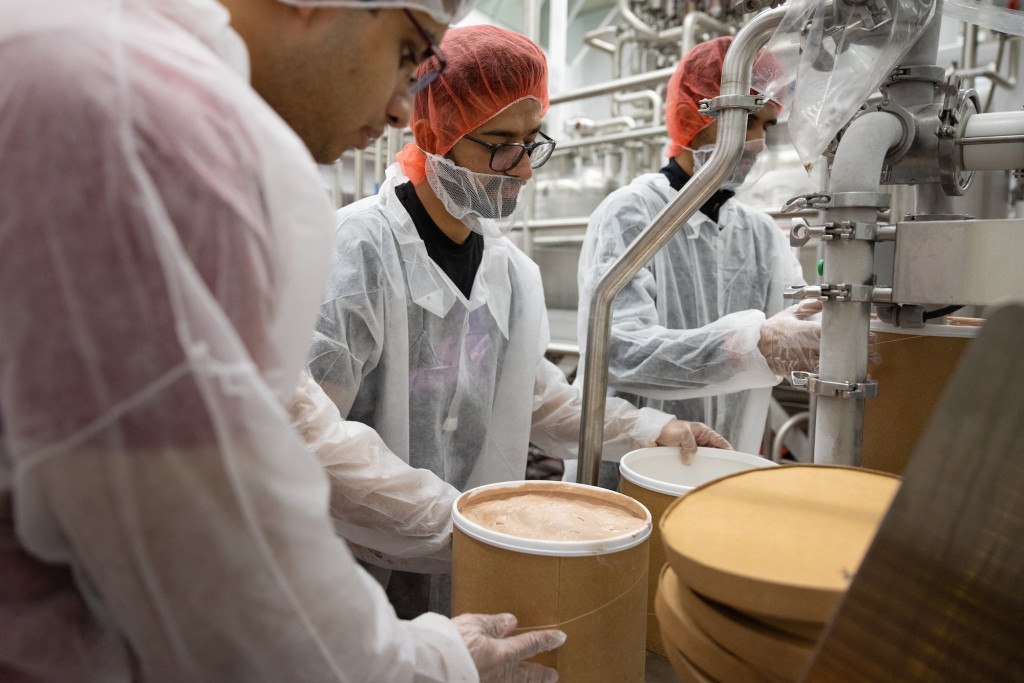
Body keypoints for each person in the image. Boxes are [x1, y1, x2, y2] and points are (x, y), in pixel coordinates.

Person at [0, 0, 566, 680]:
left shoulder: (126, 77)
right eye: (410, 53)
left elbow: (257, 421)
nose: (402, 110)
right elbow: (216, 551)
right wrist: (434, 661)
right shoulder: (134, 118)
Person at [306, 24, 731, 619]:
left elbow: (535, 398)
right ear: (435, 133)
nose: (525, 170)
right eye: (502, 143)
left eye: (533, 142)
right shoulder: (358, 252)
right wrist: (451, 516)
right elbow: (310, 440)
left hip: (473, 564)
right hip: (348, 578)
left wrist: (647, 430)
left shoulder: (508, 272)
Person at [575, 36, 822, 456]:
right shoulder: (631, 214)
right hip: (633, 464)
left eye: (765, 125)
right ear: (697, 111)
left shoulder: (760, 234)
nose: (758, 142)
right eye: (746, 121)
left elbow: (804, 316)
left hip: (727, 464)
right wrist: (752, 345)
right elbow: (617, 351)